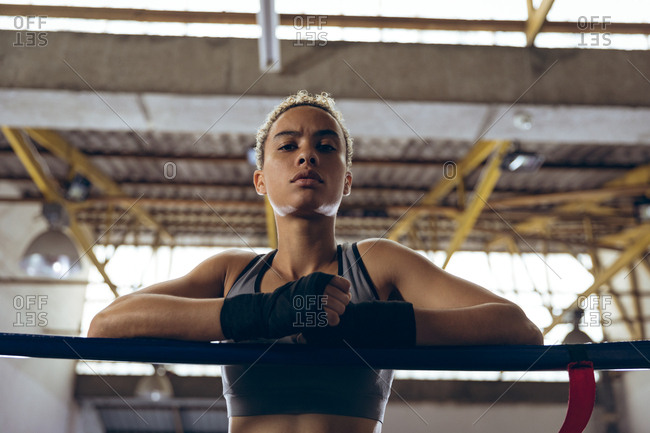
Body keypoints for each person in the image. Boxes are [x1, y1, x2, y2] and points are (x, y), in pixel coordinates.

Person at [88, 90, 543, 433]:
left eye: (326, 146)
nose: (307, 154)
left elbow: (520, 330)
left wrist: (364, 326)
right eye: (288, 146)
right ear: (261, 180)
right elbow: (106, 325)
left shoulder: (377, 263)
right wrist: (269, 312)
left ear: (346, 181)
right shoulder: (232, 271)